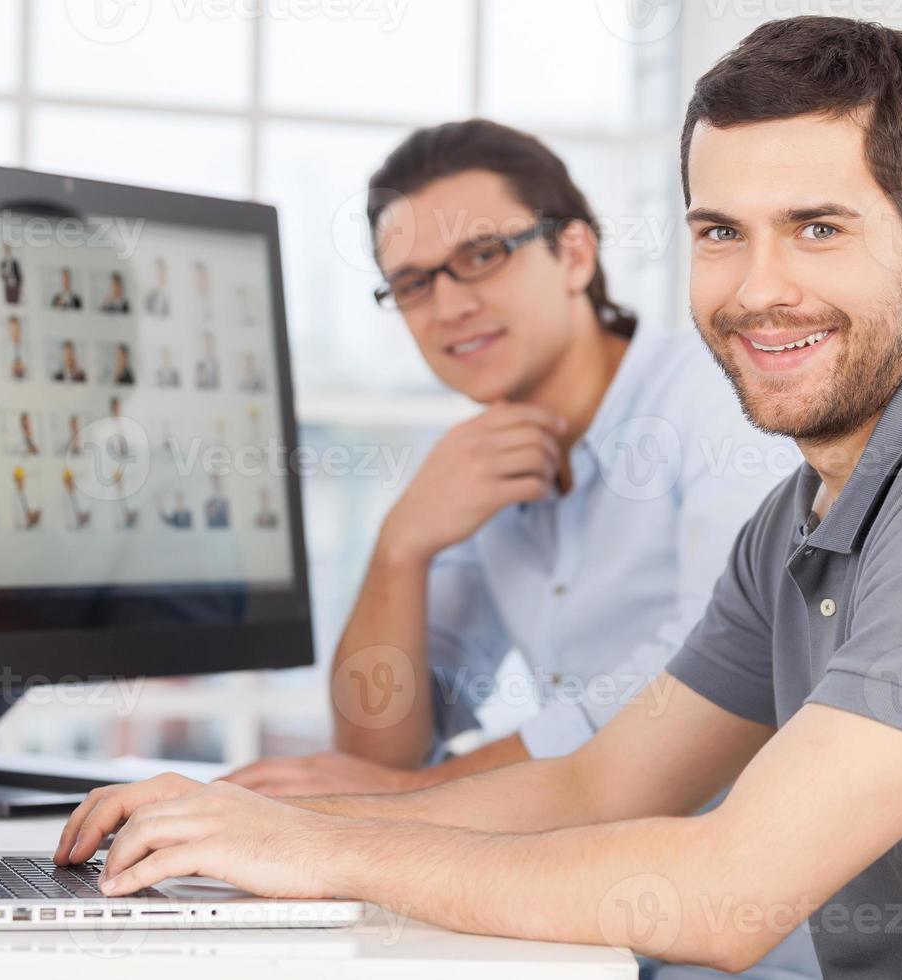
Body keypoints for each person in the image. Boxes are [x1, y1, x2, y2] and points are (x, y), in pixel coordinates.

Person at [54, 18, 902, 978]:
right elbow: (599, 781)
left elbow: (727, 894)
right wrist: (267, 824)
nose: (758, 287)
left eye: (818, 227)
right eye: (719, 233)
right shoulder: (800, 516)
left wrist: (322, 854)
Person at [224, 118, 787, 813]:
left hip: (748, 902)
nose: (451, 306)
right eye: (413, 284)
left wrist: (421, 794)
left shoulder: (717, 394)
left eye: (484, 255)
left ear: (575, 255)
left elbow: (718, 663)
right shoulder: (478, 464)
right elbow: (376, 756)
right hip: (580, 894)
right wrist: (398, 548)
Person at [7, 315, 27, 380]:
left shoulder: (25, 348)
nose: (15, 333)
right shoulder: (7, 349)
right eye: (12, 330)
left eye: (17, 330)